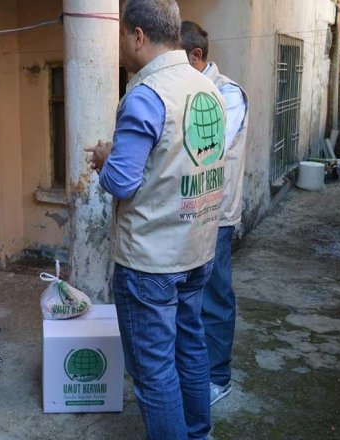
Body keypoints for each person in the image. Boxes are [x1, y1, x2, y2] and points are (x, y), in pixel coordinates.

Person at [85, 0, 227, 438]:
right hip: (198, 247)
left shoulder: (146, 96)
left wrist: (107, 159)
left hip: (151, 260)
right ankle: (198, 434)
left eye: (122, 39)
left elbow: (122, 183)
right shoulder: (208, 88)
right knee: (191, 347)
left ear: (138, 36)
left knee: (154, 372)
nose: (122, 50)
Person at [181, 20, 250, 407]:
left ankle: (217, 376)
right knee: (190, 297)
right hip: (189, 212)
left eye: (177, 61)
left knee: (216, 295)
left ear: (197, 57)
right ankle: (194, 369)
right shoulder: (188, 91)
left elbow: (201, 148)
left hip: (217, 215)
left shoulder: (227, 95)